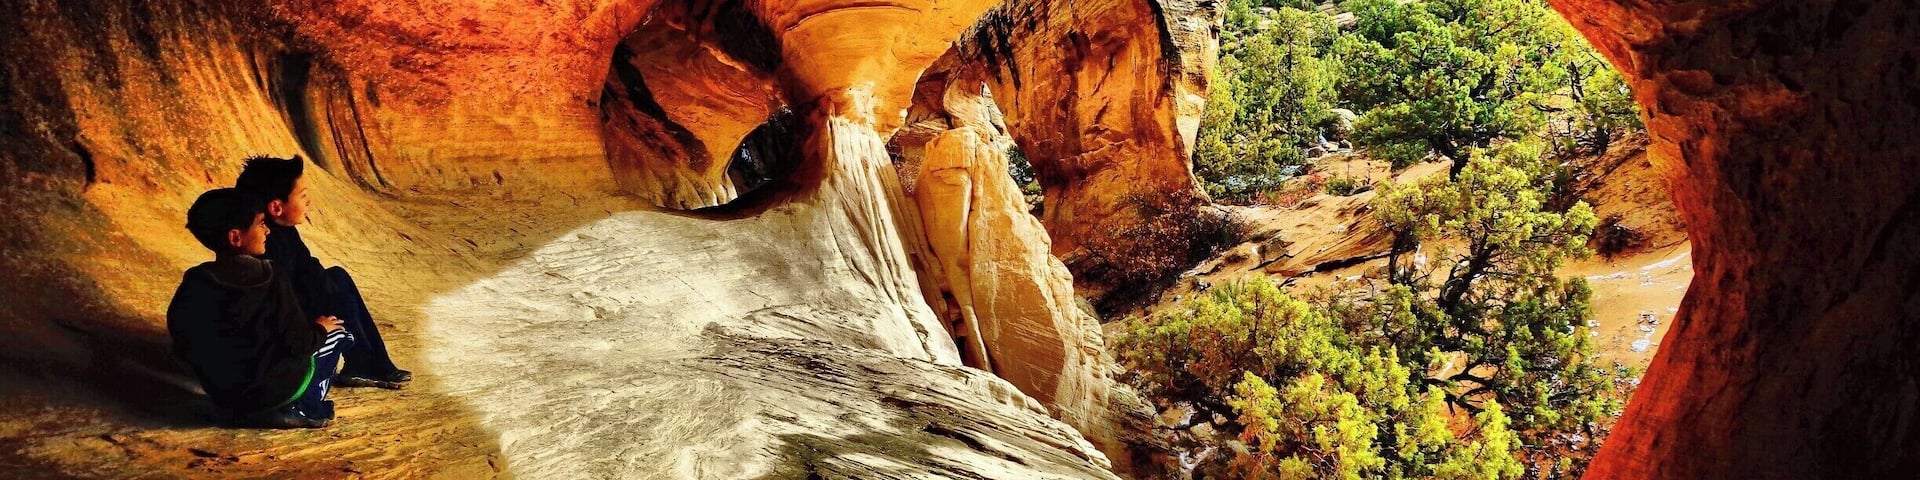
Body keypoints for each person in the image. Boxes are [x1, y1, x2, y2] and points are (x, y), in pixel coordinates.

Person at [167, 188, 353, 428]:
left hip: (223, 394)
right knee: (338, 334)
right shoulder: (271, 277)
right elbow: (301, 343)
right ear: (236, 237)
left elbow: (180, 338)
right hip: (271, 391)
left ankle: (237, 409)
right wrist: (320, 328)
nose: (267, 230)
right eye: (261, 223)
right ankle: (303, 407)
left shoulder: (196, 280)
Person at [235, 156, 412, 389]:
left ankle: (368, 362)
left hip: (293, 301)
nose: (309, 201)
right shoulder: (264, 242)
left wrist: (331, 293)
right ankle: (365, 363)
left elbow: (307, 267)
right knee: (339, 296)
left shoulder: (283, 231)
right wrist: (331, 307)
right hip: (280, 322)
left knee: (337, 277)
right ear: (276, 207)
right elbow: (280, 297)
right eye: (303, 196)